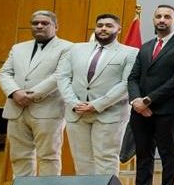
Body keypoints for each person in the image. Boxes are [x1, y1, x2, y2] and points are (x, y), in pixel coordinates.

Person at [127, 5, 174, 185]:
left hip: (166, 110)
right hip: (139, 110)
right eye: (158, 16)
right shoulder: (146, 46)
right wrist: (136, 101)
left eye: (167, 16)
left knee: (167, 155)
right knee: (143, 153)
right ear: (153, 20)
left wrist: (148, 100)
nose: (162, 20)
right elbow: (133, 77)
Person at [56, 14, 137, 176]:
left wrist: (96, 105)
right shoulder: (75, 49)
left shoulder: (131, 53)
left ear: (118, 29)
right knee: (82, 160)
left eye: (109, 26)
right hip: (77, 112)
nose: (103, 29)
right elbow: (63, 77)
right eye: (100, 25)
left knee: (106, 159)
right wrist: (73, 103)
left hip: (109, 113)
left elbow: (126, 83)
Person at [0, 11, 70, 181]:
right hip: (16, 109)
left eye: (45, 23)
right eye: (35, 23)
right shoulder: (18, 48)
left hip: (48, 110)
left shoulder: (67, 48)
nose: (39, 26)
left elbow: (59, 75)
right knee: (19, 157)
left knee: (48, 157)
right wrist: (14, 92)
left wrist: (30, 95)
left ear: (56, 26)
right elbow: (4, 73)